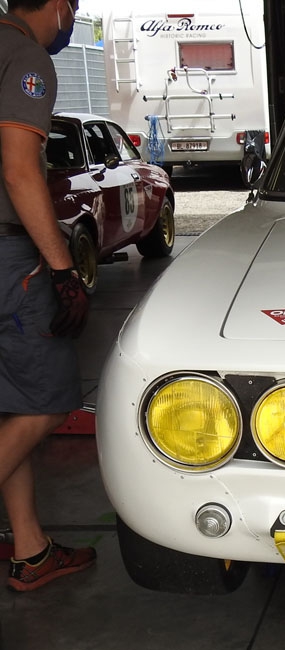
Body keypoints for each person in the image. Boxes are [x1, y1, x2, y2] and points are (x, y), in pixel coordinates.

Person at [1, 0, 96, 592]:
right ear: (60, 6)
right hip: (8, 258)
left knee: (12, 406)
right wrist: (63, 271)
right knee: (47, 403)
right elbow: (19, 169)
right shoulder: (26, 55)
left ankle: (30, 551)